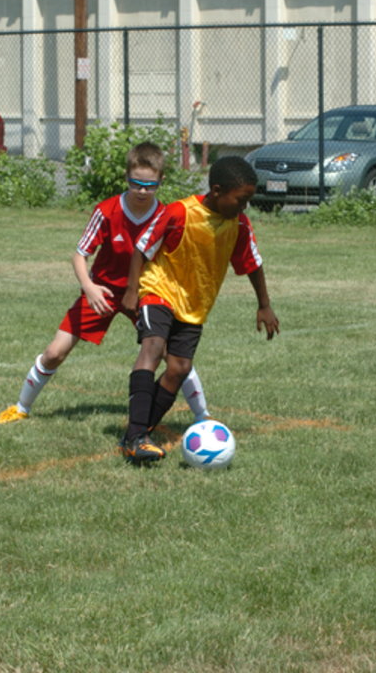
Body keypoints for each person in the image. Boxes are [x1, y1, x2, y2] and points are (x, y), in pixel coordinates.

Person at [0, 142, 210, 427]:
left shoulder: (166, 216)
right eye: (136, 184)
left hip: (146, 292)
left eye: (150, 185)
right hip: (102, 291)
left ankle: (203, 417)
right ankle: (21, 407)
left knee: (173, 355)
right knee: (55, 352)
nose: (142, 191)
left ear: (161, 181)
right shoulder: (107, 211)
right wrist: (89, 287)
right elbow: (79, 255)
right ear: (126, 178)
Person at [120, 155, 280, 465]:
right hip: (159, 290)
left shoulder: (239, 224)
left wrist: (264, 304)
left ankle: (139, 433)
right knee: (153, 348)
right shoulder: (179, 212)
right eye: (241, 199)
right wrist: (131, 290)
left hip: (194, 306)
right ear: (217, 191)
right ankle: (137, 436)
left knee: (179, 369)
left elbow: (252, 264)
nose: (245, 206)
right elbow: (142, 248)